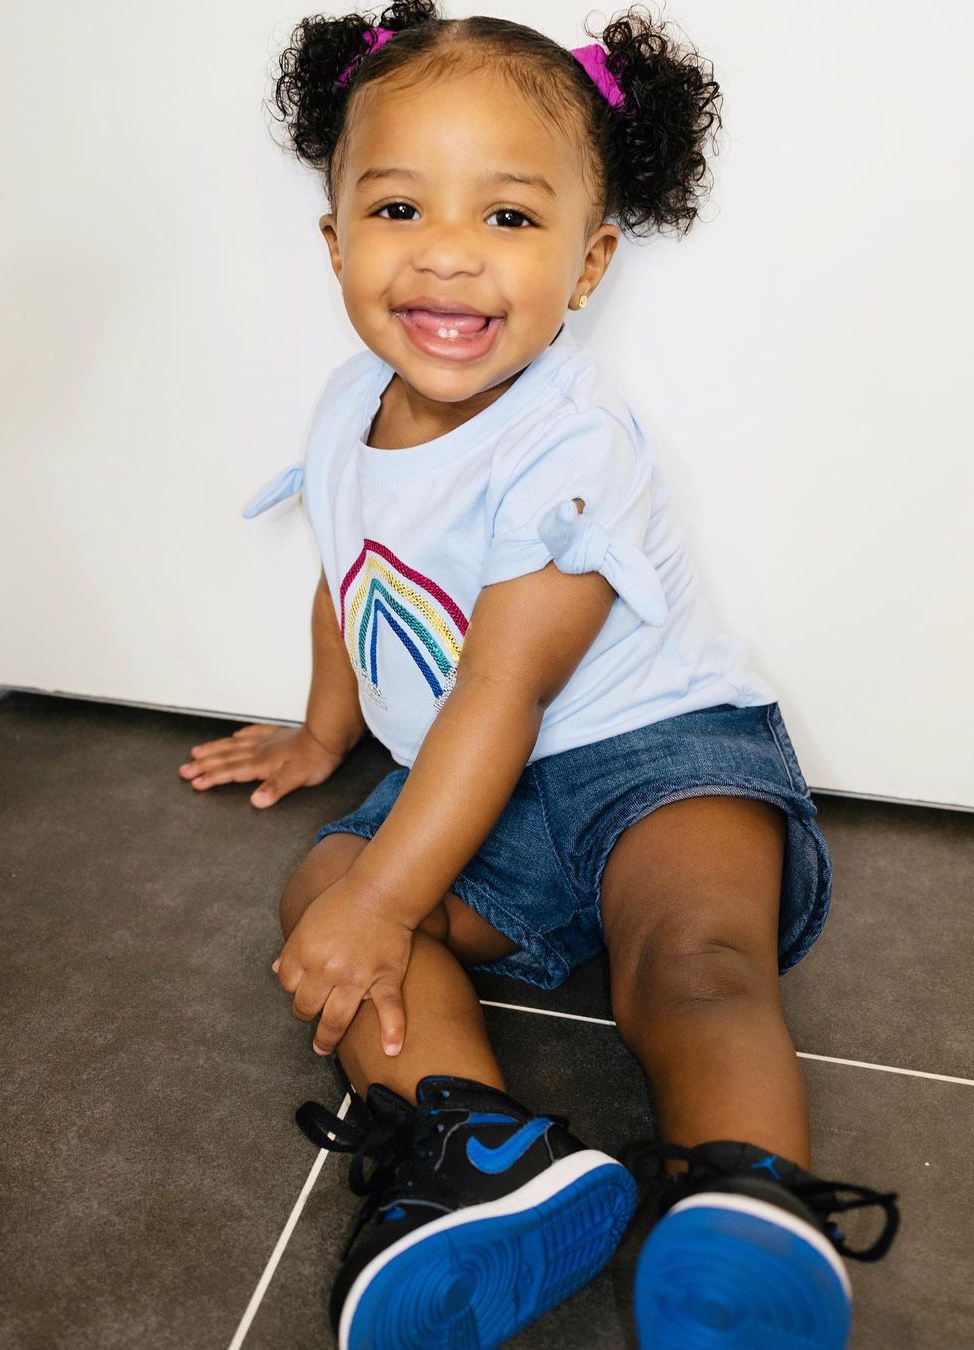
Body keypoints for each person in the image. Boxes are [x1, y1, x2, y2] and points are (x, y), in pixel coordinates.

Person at [180, 4, 899, 1346]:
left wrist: (393, 890)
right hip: (482, 789)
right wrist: (327, 734)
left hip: (660, 756)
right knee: (324, 893)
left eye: (508, 216)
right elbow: (353, 569)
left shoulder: (571, 442)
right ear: (335, 240)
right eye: (399, 207)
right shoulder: (345, 407)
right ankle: (479, 1151)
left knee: (692, 960)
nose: (448, 250)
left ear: (588, 261)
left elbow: (502, 693)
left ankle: (745, 1205)